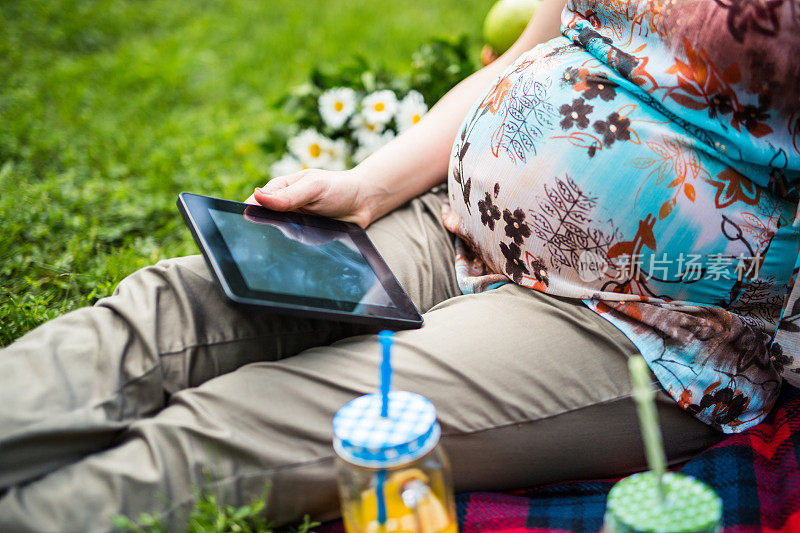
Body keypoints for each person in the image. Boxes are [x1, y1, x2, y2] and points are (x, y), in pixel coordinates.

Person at [2, 0, 799, 530]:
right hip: (453, 219)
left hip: (638, 320)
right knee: (175, 305)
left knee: (247, 424)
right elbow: (541, 45)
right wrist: (365, 187)